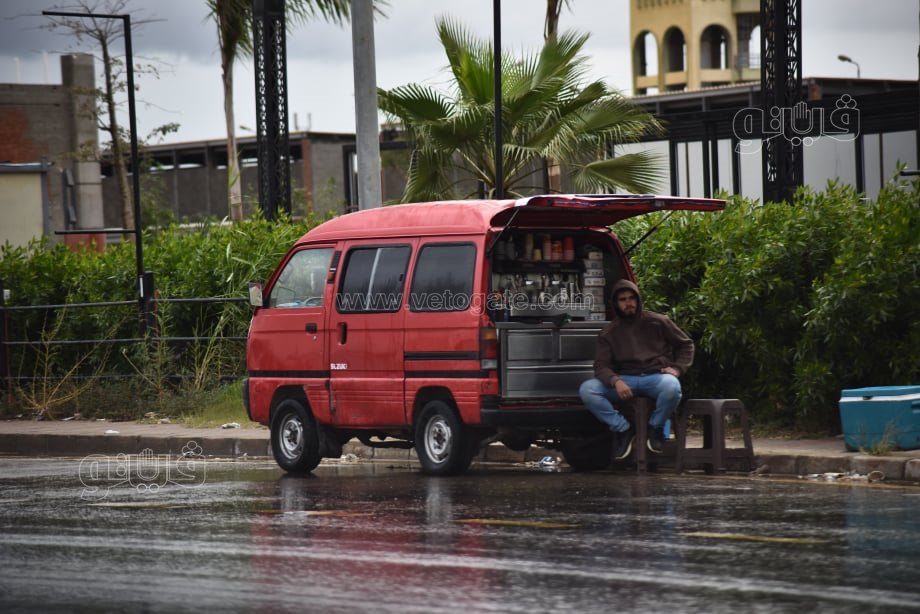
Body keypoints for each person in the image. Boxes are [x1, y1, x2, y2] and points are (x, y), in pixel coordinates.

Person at [578, 279, 694, 463]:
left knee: (672, 387)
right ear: (616, 304)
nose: (628, 303)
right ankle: (624, 429)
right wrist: (615, 381)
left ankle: (655, 427)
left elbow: (686, 344)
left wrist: (678, 369)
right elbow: (601, 365)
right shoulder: (609, 332)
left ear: (639, 300)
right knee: (588, 390)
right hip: (625, 380)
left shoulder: (658, 321)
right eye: (623, 299)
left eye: (632, 298)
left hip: (656, 377)